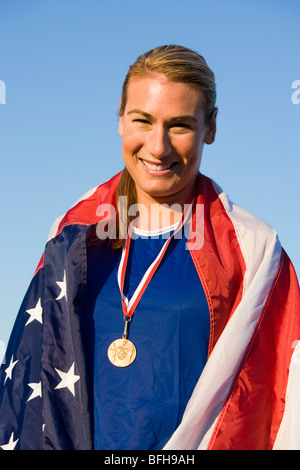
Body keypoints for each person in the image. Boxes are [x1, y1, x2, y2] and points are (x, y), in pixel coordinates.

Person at [0, 44, 299, 451]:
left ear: (210, 127)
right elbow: (33, 385)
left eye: (179, 126)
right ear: (120, 118)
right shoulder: (71, 236)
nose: (158, 148)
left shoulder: (253, 251)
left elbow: (281, 396)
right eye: (142, 120)